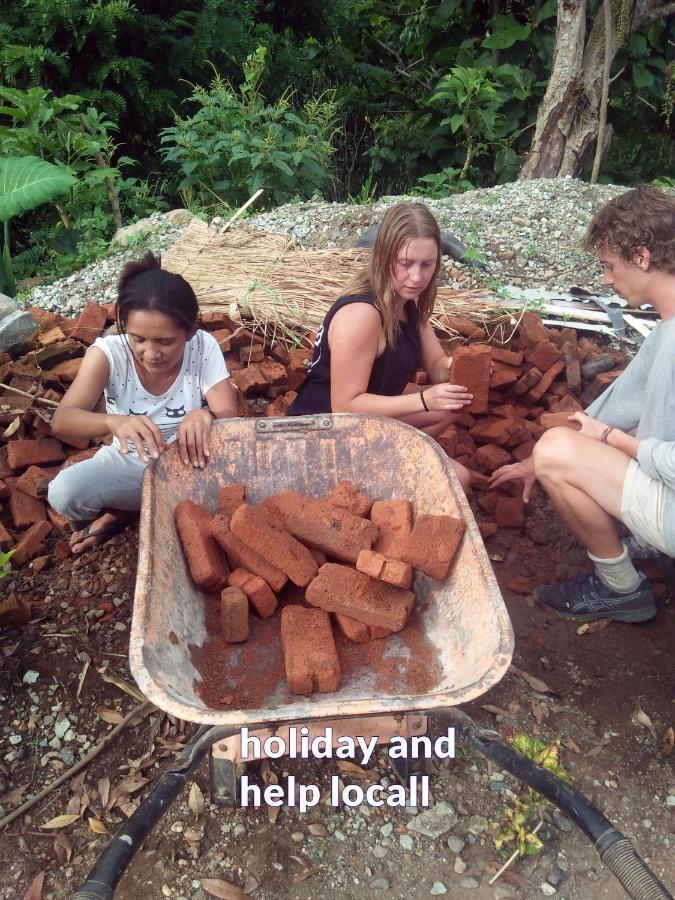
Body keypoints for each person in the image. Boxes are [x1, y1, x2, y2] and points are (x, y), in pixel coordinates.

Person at [490, 185, 675, 624]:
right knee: (562, 448)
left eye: (610, 266)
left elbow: (619, 435)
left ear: (643, 257)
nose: (607, 280)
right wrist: (539, 460)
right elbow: (620, 402)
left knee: (559, 450)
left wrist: (605, 442)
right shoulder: (666, 330)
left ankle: (620, 589)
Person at [48, 251, 237, 554]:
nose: (150, 353)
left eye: (164, 342)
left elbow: (229, 414)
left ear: (189, 332)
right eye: (138, 339)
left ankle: (127, 510)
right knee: (65, 492)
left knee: (236, 481)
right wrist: (114, 421)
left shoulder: (203, 346)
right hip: (132, 463)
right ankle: (146, 506)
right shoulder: (108, 353)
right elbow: (63, 419)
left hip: (194, 460)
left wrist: (206, 414)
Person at [288, 202, 473, 491]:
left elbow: (438, 369)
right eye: (406, 263)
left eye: (427, 264)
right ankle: (369, 480)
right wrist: (425, 400)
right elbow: (345, 406)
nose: (417, 277)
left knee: (451, 405)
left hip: (367, 423)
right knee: (457, 479)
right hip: (322, 433)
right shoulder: (361, 315)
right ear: (385, 257)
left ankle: (387, 465)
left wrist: (458, 367)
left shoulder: (407, 302)